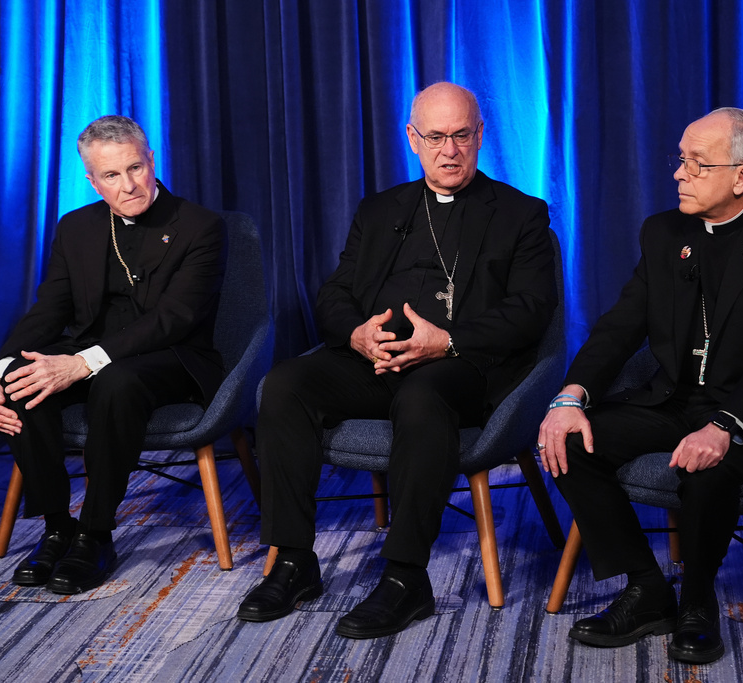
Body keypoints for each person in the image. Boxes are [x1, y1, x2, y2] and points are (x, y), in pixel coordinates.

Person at [238, 82, 556, 639]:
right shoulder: (381, 209)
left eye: (461, 135)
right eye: (435, 137)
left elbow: (531, 311)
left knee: (421, 396)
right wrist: (357, 334)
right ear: (413, 139)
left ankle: (406, 577)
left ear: (481, 136)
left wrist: (447, 342)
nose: (449, 150)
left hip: (461, 366)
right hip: (377, 359)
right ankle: (292, 560)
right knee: (286, 383)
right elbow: (334, 292)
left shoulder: (520, 213)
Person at [536, 108, 743, 664]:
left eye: (698, 163)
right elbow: (620, 326)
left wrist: (724, 426)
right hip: (674, 398)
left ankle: (698, 600)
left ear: (742, 177)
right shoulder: (664, 232)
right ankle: (646, 587)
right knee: (570, 441)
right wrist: (570, 396)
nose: (679, 173)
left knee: (708, 471)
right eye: (681, 159)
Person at [0, 115, 226, 594]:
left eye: (135, 168)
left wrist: (83, 363)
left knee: (117, 381)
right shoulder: (77, 226)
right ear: (93, 181)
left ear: (151, 160)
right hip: (89, 351)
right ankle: (57, 527)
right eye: (111, 175)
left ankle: (95, 533)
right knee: (19, 381)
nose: (128, 185)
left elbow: (174, 318)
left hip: (172, 356)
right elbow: (49, 310)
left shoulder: (200, 226)